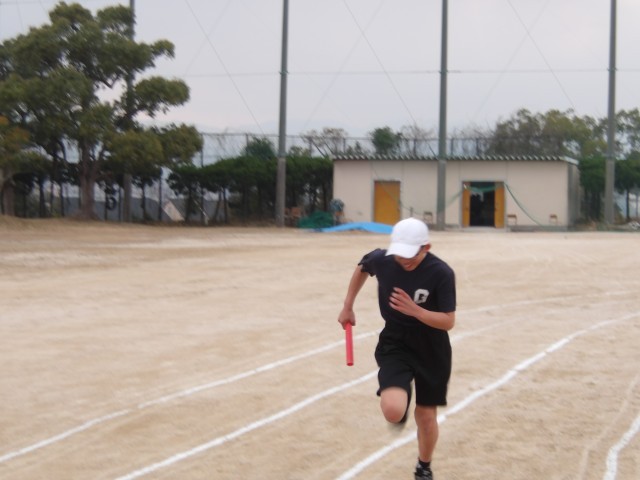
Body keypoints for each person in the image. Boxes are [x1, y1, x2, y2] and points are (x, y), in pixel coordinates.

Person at [337, 217, 456, 480]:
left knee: (426, 416)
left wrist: (417, 311)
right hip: (396, 341)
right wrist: (348, 306)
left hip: (432, 346)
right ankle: (402, 397)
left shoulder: (441, 273)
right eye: (400, 254)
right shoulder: (383, 260)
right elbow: (363, 266)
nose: (404, 260)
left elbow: (448, 321)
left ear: (426, 247)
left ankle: (423, 467)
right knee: (393, 411)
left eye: (411, 254)